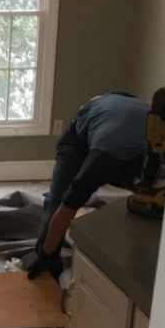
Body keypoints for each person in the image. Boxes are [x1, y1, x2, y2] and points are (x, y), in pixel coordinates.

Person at [26, 91, 149, 280]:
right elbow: (68, 207)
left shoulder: (162, 154)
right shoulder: (102, 162)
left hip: (120, 110)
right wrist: (47, 253)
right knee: (59, 198)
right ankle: (46, 255)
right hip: (83, 132)